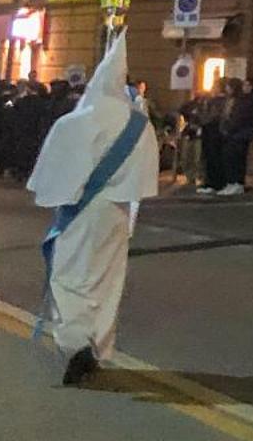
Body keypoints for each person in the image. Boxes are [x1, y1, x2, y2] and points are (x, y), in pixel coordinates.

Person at [27, 29, 158, 385]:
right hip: (115, 211)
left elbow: (50, 173)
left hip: (79, 211)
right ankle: (97, 349)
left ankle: (74, 342)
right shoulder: (141, 126)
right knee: (106, 282)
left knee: (68, 278)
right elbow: (146, 176)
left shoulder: (74, 122)